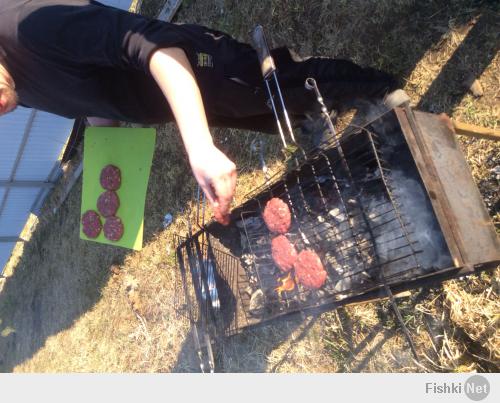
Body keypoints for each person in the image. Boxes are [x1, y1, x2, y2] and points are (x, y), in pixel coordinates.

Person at [0, 0, 397, 224]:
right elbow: (81, 93)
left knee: (283, 85)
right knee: (271, 116)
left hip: (192, 64)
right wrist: (110, 154)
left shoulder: (30, 25)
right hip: (175, 103)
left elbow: (152, 45)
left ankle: (382, 92)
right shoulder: (10, 90)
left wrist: (199, 147)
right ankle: (338, 134)